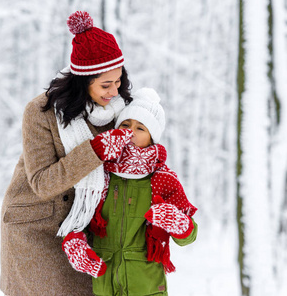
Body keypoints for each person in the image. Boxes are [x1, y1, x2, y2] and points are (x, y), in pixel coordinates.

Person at [0, 11, 134, 296]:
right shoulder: (40, 113)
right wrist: (96, 150)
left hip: (86, 231)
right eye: (105, 85)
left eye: (118, 80)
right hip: (37, 228)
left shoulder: (120, 112)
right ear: (82, 82)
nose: (114, 91)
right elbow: (42, 183)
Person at [61, 88, 198, 296]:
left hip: (147, 286)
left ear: (152, 138)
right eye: (125, 124)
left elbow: (188, 236)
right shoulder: (100, 175)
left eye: (140, 128)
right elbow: (80, 220)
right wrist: (74, 244)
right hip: (105, 286)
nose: (130, 131)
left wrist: (178, 222)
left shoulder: (163, 179)